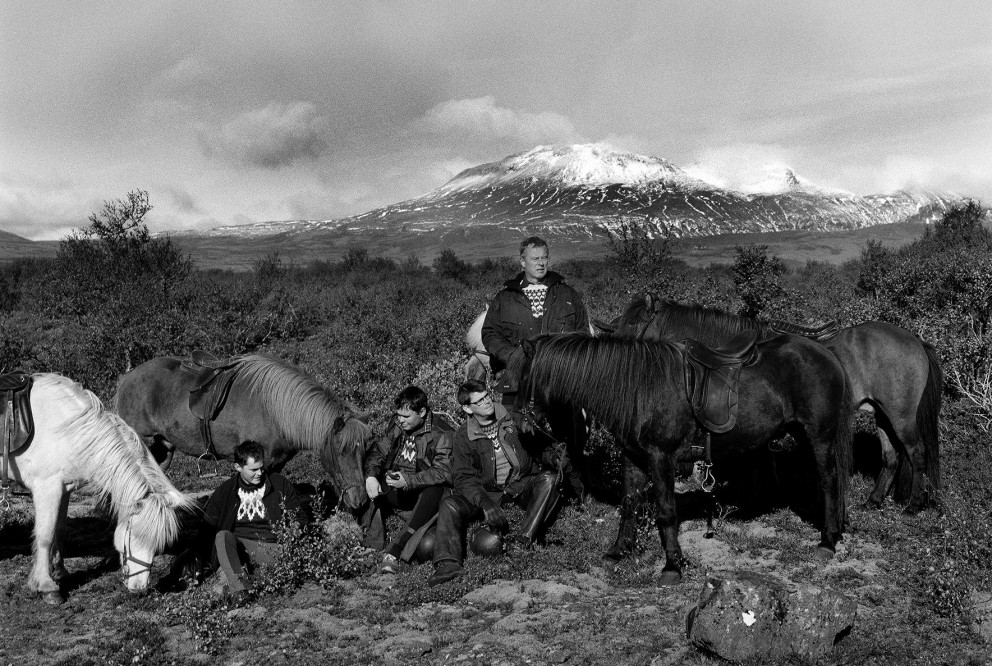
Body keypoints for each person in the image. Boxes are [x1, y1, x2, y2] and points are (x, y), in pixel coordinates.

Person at [480, 235, 590, 494]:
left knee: (567, 435)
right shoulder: (505, 298)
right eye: (534, 259)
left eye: (544, 258)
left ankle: (575, 492)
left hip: (559, 382)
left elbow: (583, 332)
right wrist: (514, 357)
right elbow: (490, 334)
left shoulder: (567, 294)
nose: (540, 264)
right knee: (516, 435)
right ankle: (524, 490)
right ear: (522, 261)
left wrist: (563, 360)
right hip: (516, 381)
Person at [428, 380, 560, 586]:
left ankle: (522, 542)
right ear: (467, 408)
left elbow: (540, 448)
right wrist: (484, 502)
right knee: (450, 504)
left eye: (487, 396)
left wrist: (553, 458)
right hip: (486, 493)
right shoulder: (463, 436)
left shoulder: (512, 418)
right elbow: (462, 478)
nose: (487, 402)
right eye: (479, 401)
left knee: (549, 479)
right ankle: (448, 564)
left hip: (519, 485)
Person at [362, 385, 453, 573]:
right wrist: (371, 476)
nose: (400, 421)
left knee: (434, 491)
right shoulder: (397, 425)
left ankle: (395, 550)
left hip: (422, 491)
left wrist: (409, 481)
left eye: (405, 417)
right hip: (397, 486)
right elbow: (379, 450)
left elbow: (443, 472)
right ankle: (371, 543)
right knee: (369, 476)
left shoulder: (441, 433)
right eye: (398, 415)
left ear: (422, 412)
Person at [202, 440, 306, 599]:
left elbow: (300, 518)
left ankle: (254, 578)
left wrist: (293, 537)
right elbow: (207, 527)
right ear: (238, 467)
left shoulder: (279, 484)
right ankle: (242, 591)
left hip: (273, 547)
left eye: (261, 468)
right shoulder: (226, 491)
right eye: (254, 469)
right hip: (240, 548)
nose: (259, 473)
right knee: (222, 536)